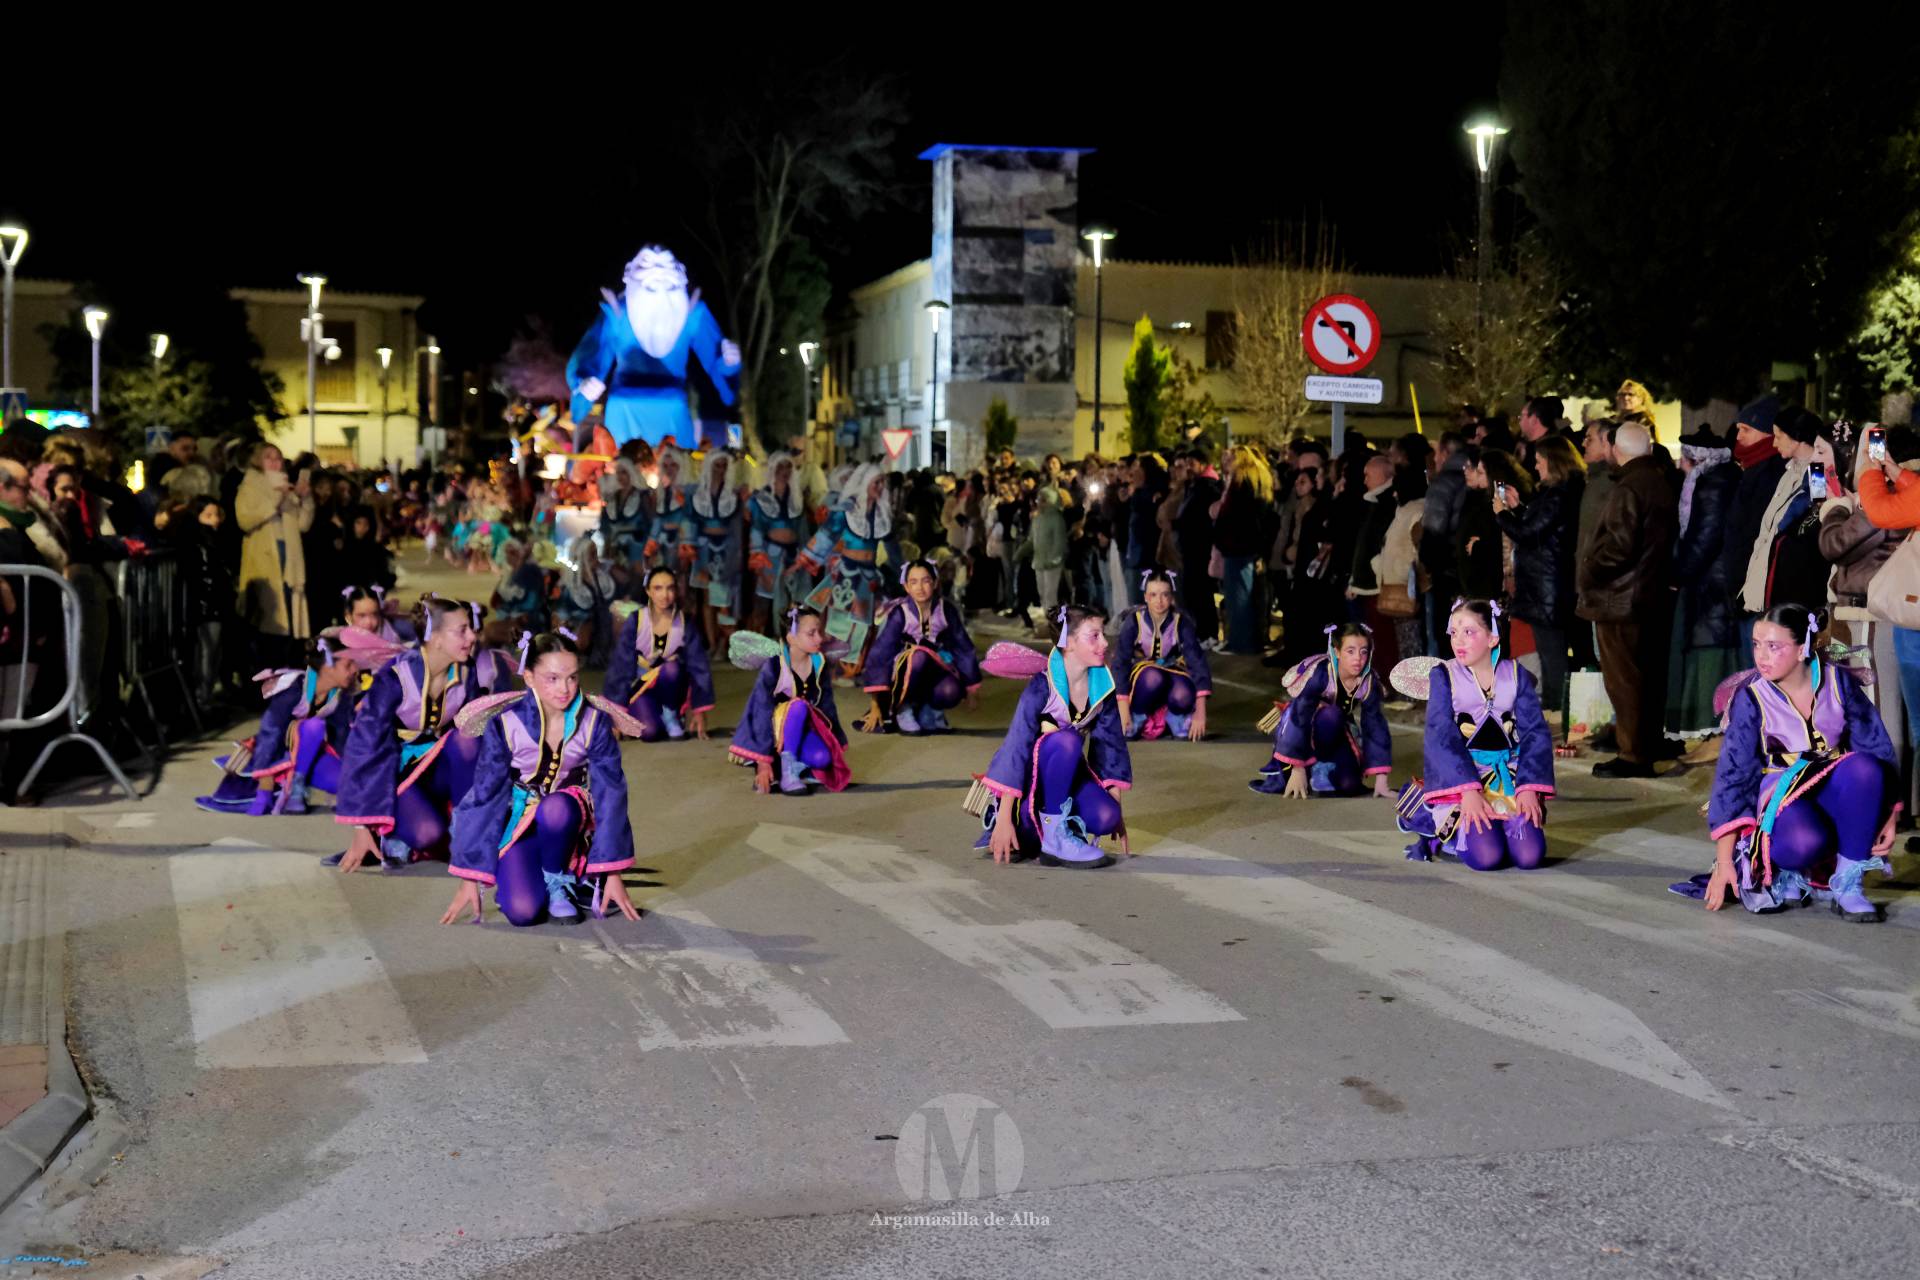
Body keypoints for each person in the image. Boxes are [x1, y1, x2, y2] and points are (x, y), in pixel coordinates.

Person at [1698, 605, 1898, 921]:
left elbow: (1876, 745)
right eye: (1756, 644)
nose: (1761, 656)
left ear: (1803, 647)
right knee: (1803, 842)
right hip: (1781, 790)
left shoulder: (1837, 681)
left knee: (1865, 768)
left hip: (1832, 784)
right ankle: (1788, 871)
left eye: (1773, 646)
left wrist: (1889, 815)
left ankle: (1848, 884)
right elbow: (1733, 777)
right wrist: (1724, 863)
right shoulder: (1751, 697)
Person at [443, 632, 641, 927]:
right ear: (529, 677)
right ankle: (541, 875)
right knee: (522, 912)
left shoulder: (594, 721)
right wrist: (469, 876)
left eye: (572, 677)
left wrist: (613, 871)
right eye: (552, 678)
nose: (565, 689)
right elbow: (486, 794)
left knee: (555, 807)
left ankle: (559, 880)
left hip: (567, 821)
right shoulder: (505, 723)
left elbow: (611, 794)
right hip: (520, 822)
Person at [330, 596, 484, 872]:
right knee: (427, 834)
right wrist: (361, 825)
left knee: (468, 737)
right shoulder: (395, 676)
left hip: (440, 767)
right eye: (462, 630)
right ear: (435, 637)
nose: (472, 636)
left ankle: (465, 832)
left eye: (470, 628)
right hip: (398, 772)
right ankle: (391, 830)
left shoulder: (466, 670)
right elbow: (363, 746)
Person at [1402, 599, 1556, 870]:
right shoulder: (1444, 676)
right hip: (1464, 779)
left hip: (1509, 777)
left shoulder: (1516, 675)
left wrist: (1529, 788)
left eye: (1469, 632)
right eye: (1454, 632)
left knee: (1529, 857)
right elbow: (1441, 736)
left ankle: (1499, 829)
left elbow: (1535, 733)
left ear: (1492, 638)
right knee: (1488, 858)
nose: (1458, 640)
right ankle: (1442, 836)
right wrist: (1468, 792)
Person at [976, 604, 1131, 869]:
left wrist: (1116, 811)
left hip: (1065, 778)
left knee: (1106, 816)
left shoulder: (1102, 687)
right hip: (1027, 788)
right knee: (1067, 740)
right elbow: (1015, 749)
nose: (1105, 642)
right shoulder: (1042, 686)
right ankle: (1052, 837)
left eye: (1103, 634)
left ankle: (1054, 832)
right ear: (1068, 643)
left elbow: (1110, 749)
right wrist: (1003, 820)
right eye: (1094, 636)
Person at [1577, 422, 1679, 778]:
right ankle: (1644, 745)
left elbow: (1620, 546)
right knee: (1645, 678)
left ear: (1617, 449)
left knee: (1624, 681)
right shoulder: (1659, 482)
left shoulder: (1629, 487)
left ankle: (1633, 754)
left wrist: (1589, 569)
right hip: (1648, 594)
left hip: (1619, 599)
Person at [195, 639, 359, 816]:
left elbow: (343, 739)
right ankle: (294, 791)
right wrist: (264, 787)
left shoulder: (339, 697)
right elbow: (271, 731)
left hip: (309, 757)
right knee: (314, 726)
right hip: (277, 757)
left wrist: (358, 773)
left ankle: (300, 784)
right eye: (348, 665)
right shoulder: (295, 686)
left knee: (348, 784)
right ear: (327, 666)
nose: (354, 670)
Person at [1495, 435, 1586, 716]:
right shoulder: (1557, 493)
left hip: (1547, 585)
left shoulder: (1559, 494)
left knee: (1552, 653)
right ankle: (1553, 708)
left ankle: (1556, 709)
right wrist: (1518, 508)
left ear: (1554, 462)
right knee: (1549, 651)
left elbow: (1529, 533)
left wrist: (1503, 515)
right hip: (1544, 583)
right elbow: (1540, 527)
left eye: (1539, 461)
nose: (1535, 467)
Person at [1251, 622, 1392, 798]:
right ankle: (1310, 766)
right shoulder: (1320, 673)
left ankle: (1322, 766)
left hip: (1337, 731)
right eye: (1350, 651)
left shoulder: (1369, 681)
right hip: (1306, 730)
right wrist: (1297, 768)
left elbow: (1375, 726)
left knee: (1349, 785)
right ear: (1337, 652)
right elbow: (1298, 718)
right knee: (1331, 715)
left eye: (1363, 651)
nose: (1358, 658)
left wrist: (1381, 779)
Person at [1665, 425, 1741, 744]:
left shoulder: (1711, 485)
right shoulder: (1720, 480)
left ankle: (1711, 734)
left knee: (1710, 660)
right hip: (1712, 585)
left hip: (1712, 587)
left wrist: (1677, 573)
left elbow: (1704, 539)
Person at [729, 606, 851, 796]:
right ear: (791, 638)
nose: (819, 638)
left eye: (819, 632)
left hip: (803, 728)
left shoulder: (819, 663)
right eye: (811, 633)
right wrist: (762, 762)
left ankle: (791, 764)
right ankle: (787, 772)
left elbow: (827, 706)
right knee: (798, 705)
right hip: (773, 735)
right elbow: (760, 710)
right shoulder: (774, 665)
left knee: (822, 758)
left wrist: (835, 741)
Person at [859, 559, 982, 736]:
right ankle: (903, 709)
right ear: (906, 587)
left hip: (935, 666)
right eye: (914, 582)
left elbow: (962, 646)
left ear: (935, 583)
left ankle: (929, 710)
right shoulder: (900, 613)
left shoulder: (946, 610)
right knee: (918, 655)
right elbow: (881, 653)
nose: (920, 587)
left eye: (926, 581)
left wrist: (971, 687)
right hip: (904, 671)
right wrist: (875, 704)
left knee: (951, 690)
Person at [798, 464, 898, 679]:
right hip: (846, 573)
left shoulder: (881, 514)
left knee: (861, 624)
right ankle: (829, 671)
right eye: (876, 482)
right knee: (838, 623)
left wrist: (905, 572)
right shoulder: (845, 509)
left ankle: (846, 669)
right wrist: (804, 561)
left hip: (869, 575)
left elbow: (893, 548)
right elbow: (825, 537)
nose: (880, 486)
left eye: (882, 482)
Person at [603, 566, 716, 742]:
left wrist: (699, 710)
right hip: (641, 689)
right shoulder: (636, 620)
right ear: (648, 591)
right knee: (650, 733)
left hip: (671, 688)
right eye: (658, 588)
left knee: (671, 668)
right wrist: (616, 714)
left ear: (675, 591)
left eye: (670, 588)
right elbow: (621, 666)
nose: (665, 595)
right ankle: (650, 715)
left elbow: (698, 666)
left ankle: (671, 714)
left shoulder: (684, 622)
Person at [1112, 568, 1212, 742]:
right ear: (1145, 597)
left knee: (1182, 694)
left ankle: (1175, 717)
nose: (1159, 601)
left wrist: (1200, 713)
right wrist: (1123, 708)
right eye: (1153, 595)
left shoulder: (1181, 622)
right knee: (1153, 677)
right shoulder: (1134, 621)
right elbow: (1120, 663)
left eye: (1165, 595)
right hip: (1143, 679)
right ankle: (1137, 716)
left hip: (1172, 670)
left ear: (1171, 597)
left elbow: (1197, 663)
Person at [234, 443, 316, 651]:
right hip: (265, 558)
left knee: (288, 610)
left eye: (277, 457)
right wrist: (277, 499)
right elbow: (245, 520)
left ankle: (286, 657)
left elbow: (303, 524)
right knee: (269, 615)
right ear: (258, 461)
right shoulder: (250, 486)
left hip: (290, 556)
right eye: (268, 457)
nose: (274, 462)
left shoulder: (286, 487)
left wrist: (305, 498)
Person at [1214, 445, 1276, 654]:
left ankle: (1241, 642)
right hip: (1246, 547)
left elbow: (1234, 517)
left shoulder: (1241, 481)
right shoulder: (1258, 479)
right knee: (1245, 596)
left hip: (1238, 547)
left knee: (1239, 598)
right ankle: (1246, 640)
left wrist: (1223, 536)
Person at [688, 449, 744, 648]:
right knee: (706, 598)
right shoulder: (697, 495)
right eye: (717, 465)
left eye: (724, 466)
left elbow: (737, 529)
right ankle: (712, 643)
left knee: (724, 599)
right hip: (703, 550)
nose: (720, 469)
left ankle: (724, 643)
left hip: (726, 550)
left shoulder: (733, 496)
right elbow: (692, 524)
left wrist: (736, 556)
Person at [749, 451, 808, 636]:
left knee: (792, 605)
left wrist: (804, 558)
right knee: (763, 603)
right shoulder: (761, 498)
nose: (785, 470)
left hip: (793, 556)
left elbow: (802, 531)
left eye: (788, 466)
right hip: (769, 555)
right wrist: (758, 562)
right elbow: (756, 530)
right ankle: (756, 646)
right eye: (780, 466)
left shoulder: (796, 498)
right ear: (773, 469)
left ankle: (785, 641)